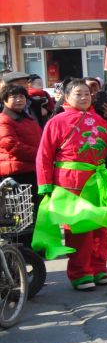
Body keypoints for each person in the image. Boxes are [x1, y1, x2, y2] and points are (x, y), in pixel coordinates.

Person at [35, 79, 107, 291]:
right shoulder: (57, 121)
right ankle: (80, 273)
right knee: (79, 228)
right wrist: (45, 184)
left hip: (96, 180)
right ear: (67, 96)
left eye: (87, 94)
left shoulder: (98, 119)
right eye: (78, 94)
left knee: (100, 226)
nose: (84, 97)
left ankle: (99, 268)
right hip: (71, 180)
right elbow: (44, 154)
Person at [0, 85, 44, 244]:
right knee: (21, 213)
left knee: (32, 211)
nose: (19, 100)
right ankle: (24, 248)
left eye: (22, 97)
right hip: (16, 172)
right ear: (5, 100)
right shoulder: (4, 119)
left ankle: (33, 245)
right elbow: (11, 145)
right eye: (14, 97)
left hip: (31, 169)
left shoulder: (26, 117)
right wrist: (40, 154)